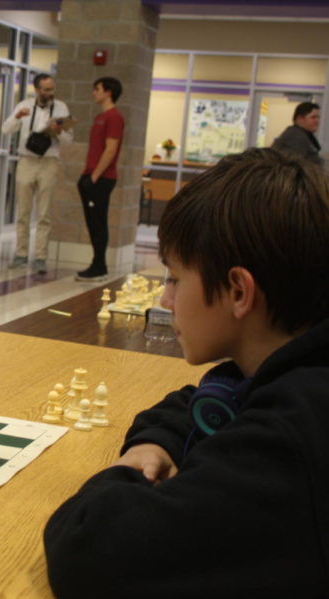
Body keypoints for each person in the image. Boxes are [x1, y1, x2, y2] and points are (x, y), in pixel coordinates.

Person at [44, 148, 329, 598]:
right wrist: (155, 442)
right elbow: (201, 397)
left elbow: (87, 550)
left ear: (238, 290)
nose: (164, 301)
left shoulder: (288, 441)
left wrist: (124, 473)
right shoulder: (291, 367)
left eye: (175, 279)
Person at [2, 73, 72, 274]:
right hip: (26, 161)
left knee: (44, 213)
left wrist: (59, 131)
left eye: (52, 89)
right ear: (37, 89)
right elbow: (5, 130)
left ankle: (41, 257)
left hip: (49, 162)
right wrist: (17, 117)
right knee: (23, 211)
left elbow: (68, 140)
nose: (50, 93)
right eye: (46, 89)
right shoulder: (24, 105)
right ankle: (21, 254)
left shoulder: (61, 108)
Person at [75, 76, 124, 282]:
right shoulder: (100, 117)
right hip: (91, 176)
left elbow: (110, 149)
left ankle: (99, 265)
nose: (94, 92)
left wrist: (94, 177)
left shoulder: (114, 117)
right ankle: (97, 263)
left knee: (98, 222)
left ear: (108, 92)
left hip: (101, 178)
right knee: (92, 221)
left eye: (97, 89)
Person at [271, 101, 323, 166]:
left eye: (318, 117)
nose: (317, 121)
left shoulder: (303, 134)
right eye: (313, 117)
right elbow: (295, 166)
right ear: (300, 119)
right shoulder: (295, 136)